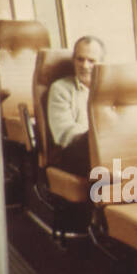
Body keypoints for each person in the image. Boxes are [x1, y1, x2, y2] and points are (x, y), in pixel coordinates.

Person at [46, 35, 104, 176]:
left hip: (105, 148)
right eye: (80, 59)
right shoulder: (60, 89)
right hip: (73, 152)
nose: (84, 66)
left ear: (101, 64)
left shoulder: (109, 90)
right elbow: (65, 133)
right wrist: (94, 140)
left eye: (91, 61)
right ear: (73, 60)